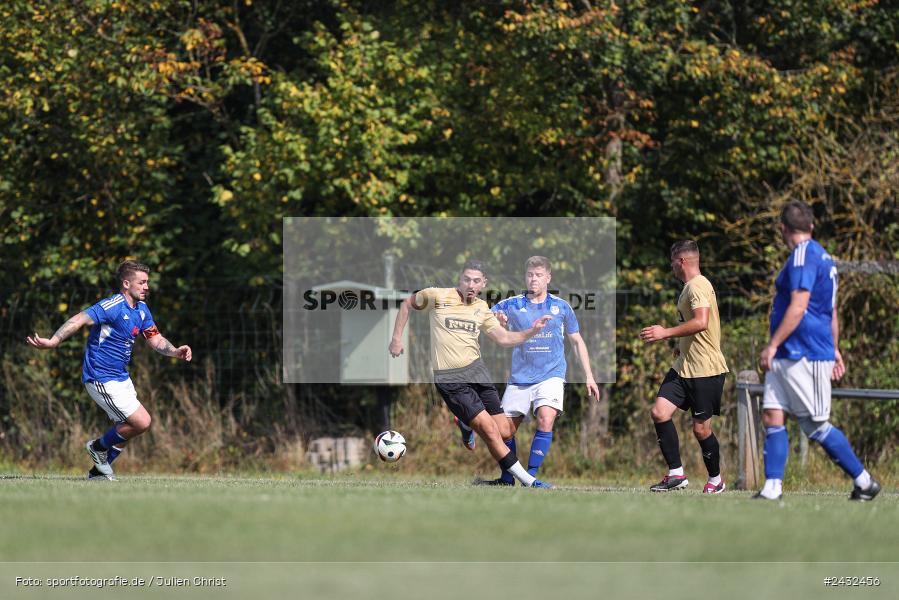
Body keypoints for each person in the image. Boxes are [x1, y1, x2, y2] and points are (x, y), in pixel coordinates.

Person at [388, 260, 554, 488]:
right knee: (488, 430)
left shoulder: (482, 308)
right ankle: (529, 481)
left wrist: (531, 331)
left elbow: (503, 338)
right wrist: (396, 338)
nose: (471, 285)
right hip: (451, 379)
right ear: (460, 278)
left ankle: (465, 424)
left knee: (504, 430)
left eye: (476, 281)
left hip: (477, 372)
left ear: (484, 283)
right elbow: (407, 304)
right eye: (467, 279)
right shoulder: (437, 296)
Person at [755, 201, 880, 501]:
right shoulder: (824, 257)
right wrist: (836, 347)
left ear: (783, 229)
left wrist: (772, 344)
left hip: (805, 353)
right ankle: (772, 488)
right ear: (811, 226)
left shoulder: (803, 256)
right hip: (791, 352)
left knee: (815, 425)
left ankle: (864, 481)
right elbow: (831, 312)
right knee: (773, 413)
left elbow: (800, 306)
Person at [26, 260, 192, 480]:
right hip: (100, 376)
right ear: (126, 283)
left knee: (125, 427)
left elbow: (155, 338)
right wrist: (54, 340)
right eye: (142, 282)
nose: (146, 287)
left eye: (147, 282)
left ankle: (98, 473)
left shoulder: (141, 310)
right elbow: (78, 320)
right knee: (142, 422)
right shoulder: (112, 305)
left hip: (121, 377)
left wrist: (175, 351)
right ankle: (96, 447)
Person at [476, 256, 599, 486]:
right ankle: (507, 478)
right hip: (520, 377)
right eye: (530, 275)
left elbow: (577, 341)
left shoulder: (561, 307)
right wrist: (498, 320)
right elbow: (486, 319)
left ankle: (530, 476)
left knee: (545, 418)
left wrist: (589, 376)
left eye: (539, 275)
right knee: (504, 432)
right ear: (525, 277)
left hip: (551, 375)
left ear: (548, 278)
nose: (534, 279)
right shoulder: (511, 304)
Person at [640, 240, 729, 493]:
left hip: (706, 370)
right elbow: (696, 325)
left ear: (681, 262)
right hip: (684, 366)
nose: (671, 268)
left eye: (672, 263)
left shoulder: (698, 286)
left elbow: (702, 321)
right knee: (659, 412)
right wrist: (681, 343)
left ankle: (716, 480)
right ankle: (676, 474)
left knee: (701, 429)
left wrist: (665, 332)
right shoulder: (689, 287)